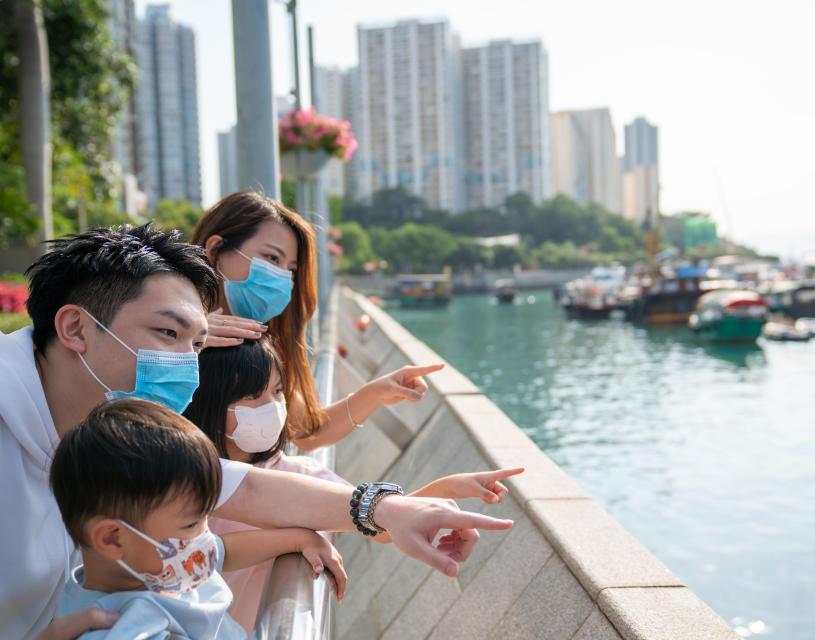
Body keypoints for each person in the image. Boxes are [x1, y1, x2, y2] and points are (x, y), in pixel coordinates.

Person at [0, 224, 512, 640]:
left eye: (198, 344)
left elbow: (240, 487)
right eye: (167, 334)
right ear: (74, 329)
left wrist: (388, 509)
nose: (187, 367)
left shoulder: (110, 439)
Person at [183, 338, 523, 634]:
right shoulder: (177, 477)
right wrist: (295, 538)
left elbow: (384, 523)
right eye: (252, 397)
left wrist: (446, 489)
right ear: (206, 401)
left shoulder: (299, 475)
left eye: (277, 392)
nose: (272, 408)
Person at [51, 398, 346, 639]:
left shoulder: (160, 567)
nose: (204, 534)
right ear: (113, 539)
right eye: (191, 524)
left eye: (206, 517)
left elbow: (223, 551)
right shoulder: (123, 628)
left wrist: (299, 539)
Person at [192, 190, 430, 451]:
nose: (281, 277)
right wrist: (186, 344)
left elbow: (306, 430)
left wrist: (377, 393)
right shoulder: (160, 326)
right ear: (215, 249)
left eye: (290, 269)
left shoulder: (255, 347)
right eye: (271, 258)